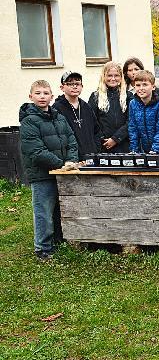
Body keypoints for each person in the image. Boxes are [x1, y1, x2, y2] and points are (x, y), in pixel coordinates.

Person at [19, 79, 79, 260]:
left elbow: (72, 140)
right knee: (43, 211)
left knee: (60, 209)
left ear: (52, 96)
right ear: (31, 97)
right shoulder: (29, 122)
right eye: (38, 93)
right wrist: (61, 164)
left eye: (45, 93)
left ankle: (59, 240)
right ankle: (43, 248)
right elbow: (36, 152)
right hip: (42, 175)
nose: (42, 97)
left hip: (62, 172)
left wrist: (71, 160)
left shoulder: (59, 117)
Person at [52, 71, 101, 161]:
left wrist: (96, 150)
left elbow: (97, 131)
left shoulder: (87, 107)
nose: (74, 86)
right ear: (62, 87)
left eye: (77, 84)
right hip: (70, 159)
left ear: (82, 87)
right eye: (70, 84)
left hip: (91, 158)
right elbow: (56, 136)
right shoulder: (57, 108)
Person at [89, 62, 132, 153]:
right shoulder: (95, 96)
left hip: (124, 144)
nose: (113, 79)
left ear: (121, 77)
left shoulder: (128, 96)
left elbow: (131, 121)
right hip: (103, 146)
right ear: (104, 77)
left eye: (116, 75)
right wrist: (103, 139)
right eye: (109, 75)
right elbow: (92, 121)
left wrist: (115, 139)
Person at [128, 70, 159, 154]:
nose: (141, 88)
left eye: (145, 85)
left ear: (153, 87)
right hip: (143, 150)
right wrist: (134, 150)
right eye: (138, 85)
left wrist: (155, 150)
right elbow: (133, 129)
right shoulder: (133, 104)